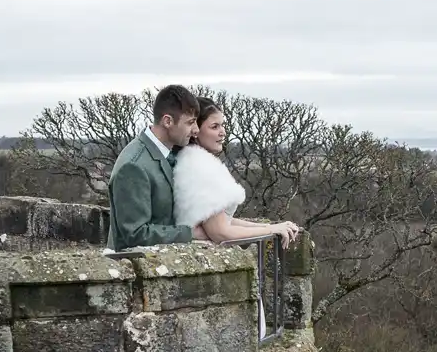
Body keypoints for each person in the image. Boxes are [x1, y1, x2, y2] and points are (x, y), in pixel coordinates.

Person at [175, 102, 301, 245]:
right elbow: (220, 232)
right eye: (214, 127)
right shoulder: (202, 167)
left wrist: (268, 227)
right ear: (195, 130)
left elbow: (221, 220)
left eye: (222, 125)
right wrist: (271, 230)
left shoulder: (190, 160)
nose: (222, 132)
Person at [108, 85, 201, 249]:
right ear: (168, 121)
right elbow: (135, 234)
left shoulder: (170, 153)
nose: (196, 130)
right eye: (190, 122)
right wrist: (189, 233)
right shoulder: (133, 166)